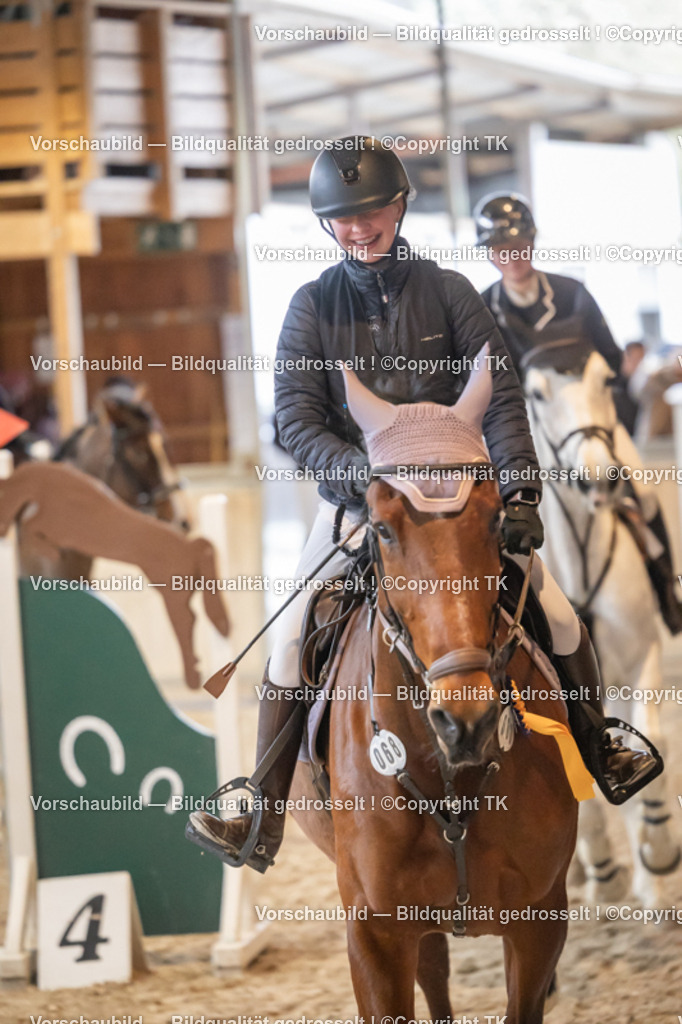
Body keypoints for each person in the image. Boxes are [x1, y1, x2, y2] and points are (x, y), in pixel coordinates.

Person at [187, 140, 660, 873]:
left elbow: (501, 397)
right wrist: (362, 478)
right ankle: (263, 805)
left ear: (399, 206)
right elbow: (294, 422)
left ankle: (602, 747)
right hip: (361, 504)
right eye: (342, 218)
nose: (358, 227)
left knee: (558, 612)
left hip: (460, 506)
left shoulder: (450, 293)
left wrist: (522, 491)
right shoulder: (312, 306)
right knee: (290, 637)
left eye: (370, 211)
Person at [475, 193, 682, 635]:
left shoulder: (572, 294)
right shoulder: (482, 308)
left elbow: (610, 356)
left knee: (643, 489)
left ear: (531, 242)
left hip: (590, 420)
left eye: (519, 244)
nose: (511, 257)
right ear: (491, 255)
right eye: (500, 249)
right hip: (525, 434)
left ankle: (667, 592)